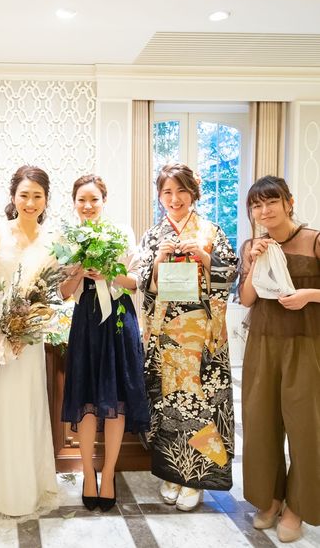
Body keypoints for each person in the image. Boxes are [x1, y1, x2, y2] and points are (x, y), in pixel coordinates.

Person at [138, 162, 237, 511]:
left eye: (181, 190)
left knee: (200, 402)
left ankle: (196, 477)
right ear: (159, 196)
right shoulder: (154, 236)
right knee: (169, 403)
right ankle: (172, 473)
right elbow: (143, 285)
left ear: (193, 193)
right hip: (166, 334)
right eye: (167, 191)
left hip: (201, 335)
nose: (174, 198)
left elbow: (230, 275)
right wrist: (158, 261)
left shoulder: (211, 231)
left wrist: (205, 256)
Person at [0, 165, 59, 520]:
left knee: (25, 409)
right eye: (24, 195)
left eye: (37, 196)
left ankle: (26, 490)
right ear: (13, 197)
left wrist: (28, 325)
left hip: (28, 340)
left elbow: (52, 292)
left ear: (46, 200)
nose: (30, 202)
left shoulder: (53, 240)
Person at [60, 174, 149, 512]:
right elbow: (64, 293)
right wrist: (79, 270)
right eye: (81, 200)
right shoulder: (69, 239)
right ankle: (87, 474)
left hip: (119, 320)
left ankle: (108, 473)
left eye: (94, 199)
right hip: (86, 321)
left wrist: (109, 271)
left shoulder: (121, 233)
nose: (88, 206)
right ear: (74, 203)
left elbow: (135, 282)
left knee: (117, 402)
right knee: (85, 400)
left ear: (104, 201)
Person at [238, 176, 320, 543]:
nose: (264, 210)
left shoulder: (314, 240)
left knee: (306, 428)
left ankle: (297, 507)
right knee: (260, 424)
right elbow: (247, 299)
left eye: (271, 201)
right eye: (256, 205)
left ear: (289, 202)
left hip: (307, 345)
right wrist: (254, 260)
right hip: (263, 344)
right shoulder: (252, 245)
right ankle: (270, 499)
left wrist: (308, 295)